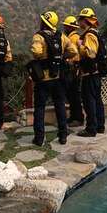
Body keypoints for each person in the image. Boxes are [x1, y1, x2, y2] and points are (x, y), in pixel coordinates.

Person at [29, 11, 77, 146]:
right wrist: (62, 57)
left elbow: (36, 52)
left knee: (39, 107)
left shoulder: (39, 36)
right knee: (60, 105)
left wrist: (40, 57)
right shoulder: (61, 36)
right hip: (58, 77)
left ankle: (39, 138)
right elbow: (74, 51)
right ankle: (63, 136)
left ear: (44, 22)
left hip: (43, 79)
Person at [76, 8, 107, 137]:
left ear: (85, 21)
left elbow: (90, 53)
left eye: (80, 20)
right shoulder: (96, 33)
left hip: (90, 73)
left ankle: (91, 129)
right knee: (97, 101)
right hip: (96, 73)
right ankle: (100, 126)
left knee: (89, 102)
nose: (79, 22)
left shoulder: (89, 35)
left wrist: (80, 45)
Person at [62, 15, 84, 127]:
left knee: (74, 94)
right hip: (75, 69)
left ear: (70, 27)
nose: (64, 28)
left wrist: (65, 57)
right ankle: (73, 117)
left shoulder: (72, 38)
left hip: (73, 69)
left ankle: (78, 118)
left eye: (66, 26)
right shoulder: (76, 37)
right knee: (71, 94)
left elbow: (74, 53)